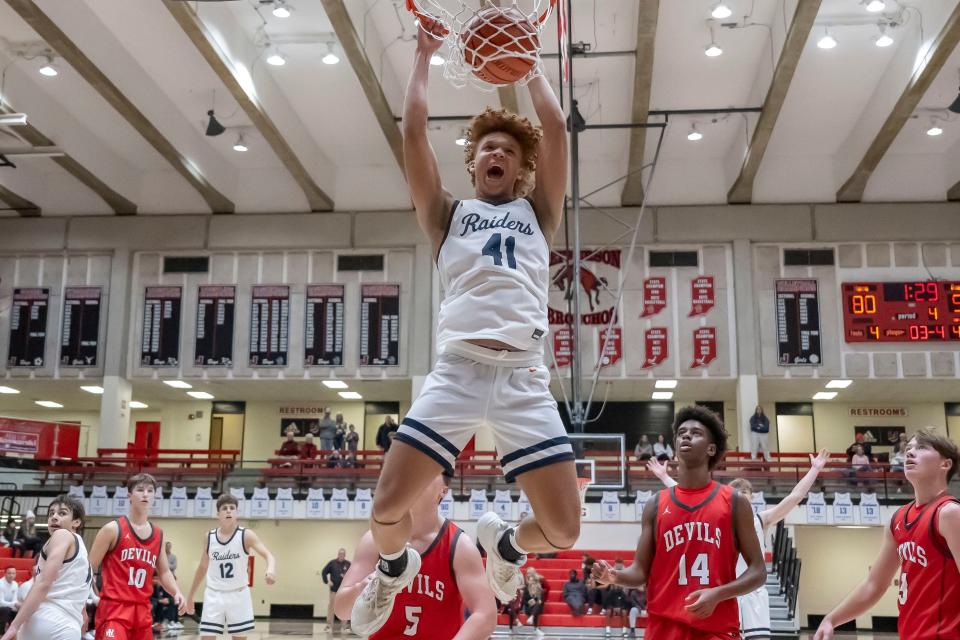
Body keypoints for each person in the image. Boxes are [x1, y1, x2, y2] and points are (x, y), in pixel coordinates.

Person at [350, 15, 577, 636]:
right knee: (386, 509)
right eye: (486, 149)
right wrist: (423, 56)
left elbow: (556, 129)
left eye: (508, 149)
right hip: (457, 371)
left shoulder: (540, 211)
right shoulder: (447, 215)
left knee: (564, 529)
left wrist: (528, 67)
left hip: (524, 375)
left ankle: (504, 547)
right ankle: (393, 570)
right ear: (473, 166)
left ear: (522, 168)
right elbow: (414, 135)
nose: (497, 153)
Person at [593, 405, 766, 639]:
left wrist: (718, 594)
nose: (686, 435)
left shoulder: (734, 502)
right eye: (681, 432)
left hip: (716, 629)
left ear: (711, 448)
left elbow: (758, 571)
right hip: (663, 629)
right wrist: (614, 576)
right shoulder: (655, 505)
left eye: (696, 433)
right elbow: (640, 571)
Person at [649, 448, 831, 640]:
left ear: (752, 496)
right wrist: (664, 476)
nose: (741, 495)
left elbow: (794, 497)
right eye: (736, 492)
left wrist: (814, 470)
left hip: (754, 595)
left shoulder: (762, 520)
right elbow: (690, 496)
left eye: (745, 491)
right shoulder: (719, 519)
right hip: (727, 595)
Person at [814, 429, 960, 640]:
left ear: (945, 464)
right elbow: (874, 585)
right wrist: (831, 619)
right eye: (909, 448)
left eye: (921, 448)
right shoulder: (898, 519)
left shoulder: (949, 513)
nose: (910, 453)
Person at [335, 473, 497, 640]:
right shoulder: (374, 540)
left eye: (429, 469)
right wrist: (365, 587)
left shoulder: (460, 546)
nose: (417, 473)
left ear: (444, 491)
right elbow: (342, 610)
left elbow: (486, 615)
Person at [88, 473, 184, 640]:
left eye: (150, 490)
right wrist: (92, 597)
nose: (145, 494)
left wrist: (176, 591)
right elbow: (89, 569)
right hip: (114, 609)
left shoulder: (158, 534)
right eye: (140, 490)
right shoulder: (112, 529)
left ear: (154, 496)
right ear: (129, 496)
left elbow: (164, 572)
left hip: (142, 611)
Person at [186, 493, 277, 639]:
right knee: (207, 637)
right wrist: (190, 596)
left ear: (237, 513)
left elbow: (269, 555)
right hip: (214, 594)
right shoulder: (209, 537)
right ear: (218, 514)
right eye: (224, 508)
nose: (228, 511)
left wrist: (270, 570)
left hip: (238, 594)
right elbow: (202, 568)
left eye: (232, 508)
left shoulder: (246, 535)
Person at [1, 495, 90, 640]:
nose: (54, 517)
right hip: (66, 625)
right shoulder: (82, 548)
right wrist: (83, 611)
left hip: (46, 619)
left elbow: (44, 582)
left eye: (62, 513)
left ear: (76, 521)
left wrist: (14, 626)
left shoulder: (62, 535)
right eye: (51, 513)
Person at [321, 548, 351, 635]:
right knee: (331, 607)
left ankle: (344, 626)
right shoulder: (332, 563)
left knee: (345, 608)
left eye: (343, 554)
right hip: (334, 590)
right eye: (340, 554)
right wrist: (327, 581)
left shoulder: (348, 564)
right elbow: (324, 572)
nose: (341, 555)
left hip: (344, 591)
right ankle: (329, 625)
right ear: (338, 554)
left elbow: (353, 574)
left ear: (345, 555)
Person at [521, 571, 544, 638]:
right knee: (536, 609)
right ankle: (536, 629)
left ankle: (531, 618)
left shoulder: (539, 588)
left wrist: (537, 600)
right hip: (528, 607)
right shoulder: (526, 588)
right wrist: (529, 602)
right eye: (530, 580)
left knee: (537, 605)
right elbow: (524, 600)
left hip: (537, 607)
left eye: (532, 580)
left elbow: (541, 599)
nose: (531, 582)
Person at [0, 567, 17, 632]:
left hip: (8, 607)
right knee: (6, 609)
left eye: (13, 573)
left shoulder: (15, 584)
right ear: (5, 574)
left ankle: (13, 631)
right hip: (2, 607)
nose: (11, 575)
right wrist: (14, 604)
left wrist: (16, 605)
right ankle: (1, 633)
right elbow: (1, 603)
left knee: (20, 609)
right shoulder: (1, 583)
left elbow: (14, 600)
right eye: (9, 573)